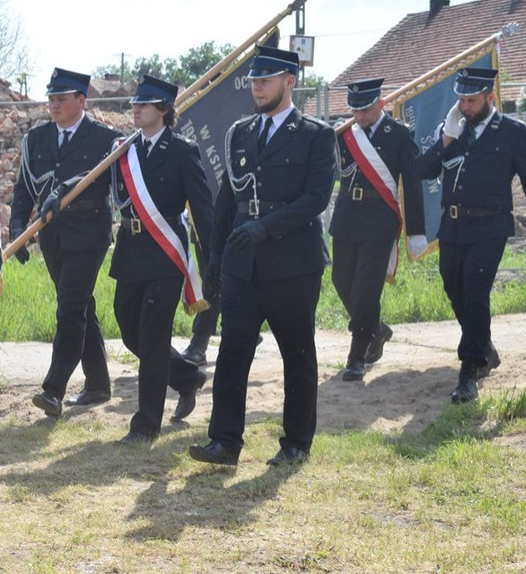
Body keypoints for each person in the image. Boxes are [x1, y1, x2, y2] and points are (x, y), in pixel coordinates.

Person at [188, 46, 336, 467]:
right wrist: (215, 256)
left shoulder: (315, 135)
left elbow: (315, 199)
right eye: (254, 80)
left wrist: (266, 227)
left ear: (290, 82)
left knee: (297, 354)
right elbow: (227, 200)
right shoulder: (240, 133)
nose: (257, 87)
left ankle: (295, 444)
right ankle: (225, 442)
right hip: (242, 262)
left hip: (293, 262)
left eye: (266, 80)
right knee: (233, 351)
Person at [9, 67, 120, 418]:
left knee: (69, 308)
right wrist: (16, 226)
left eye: (61, 98)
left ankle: (53, 389)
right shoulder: (36, 139)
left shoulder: (105, 138)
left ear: (80, 101)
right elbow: (25, 187)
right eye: (51, 98)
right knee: (80, 304)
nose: (53, 104)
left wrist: (66, 187)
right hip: (53, 234)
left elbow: (102, 180)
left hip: (89, 232)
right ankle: (99, 383)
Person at [108, 74, 213, 443]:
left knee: (153, 337)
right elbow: (90, 177)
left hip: (165, 254)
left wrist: (214, 256)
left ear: (164, 110)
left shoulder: (183, 151)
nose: (135, 109)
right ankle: (187, 377)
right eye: (134, 103)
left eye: (144, 104)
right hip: (130, 252)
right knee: (130, 332)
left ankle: (146, 423)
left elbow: (202, 205)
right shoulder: (125, 150)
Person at [413, 67, 526, 403]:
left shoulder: (513, 132)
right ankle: (485, 349)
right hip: (453, 226)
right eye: (461, 100)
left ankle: (469, 370)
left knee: (476, 291)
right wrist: (445, 138)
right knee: (454, 286)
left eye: (472, 100)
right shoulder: (452, 130)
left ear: (490, 98)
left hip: (491, 226)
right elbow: (423, 170)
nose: (465, 106)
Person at [332, 78, 427, 381]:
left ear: (380, 104)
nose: (359, 116)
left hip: (379, 219)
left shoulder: (400, 135)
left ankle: (357, 354)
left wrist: (416, 231)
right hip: (347, 216)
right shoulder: (345, 135)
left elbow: (411, 186)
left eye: (365, 110)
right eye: (355, 111)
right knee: (341, 280)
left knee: (366, 289)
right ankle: (376, 328)